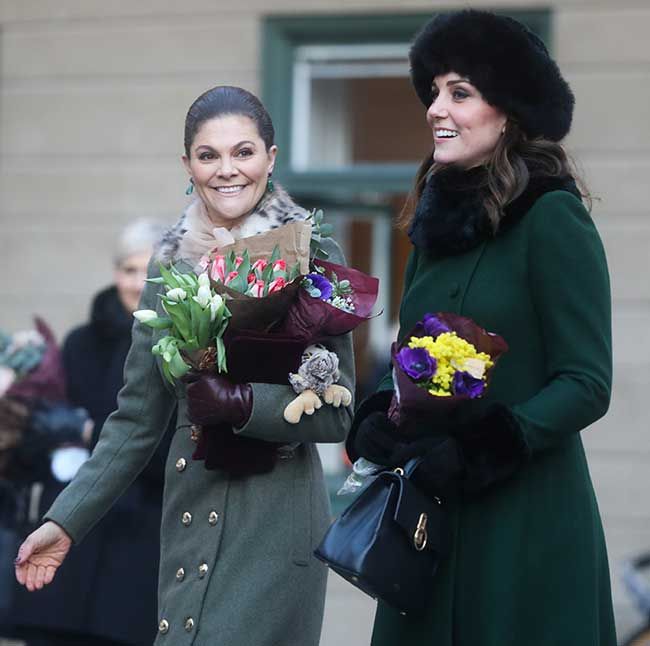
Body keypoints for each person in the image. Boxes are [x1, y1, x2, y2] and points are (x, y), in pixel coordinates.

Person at [15, 85, 355, 646]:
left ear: (270, 158)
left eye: (243, 152)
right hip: (190, 514)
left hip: (272, 525)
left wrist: (246, 404)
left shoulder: (311, 254)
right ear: (188, 165)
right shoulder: (167, 265)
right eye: (209, 155)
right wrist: (64, 519)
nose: (227, 170)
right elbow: (135, 419)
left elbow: (336, 414)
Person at [346, 10, 616, 646]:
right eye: (435, 92)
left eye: (459, 93)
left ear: (510, 111)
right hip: (429, 529)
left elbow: (585, 381)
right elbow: (415, 356)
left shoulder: (554, 219)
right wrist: (381, 412)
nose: (436, 108)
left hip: (527, 528)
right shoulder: (437, 230)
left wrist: (484, 449)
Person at [9, 219, 171, 646]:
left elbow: (166, 449)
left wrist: (85, 429)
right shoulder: (81, 342)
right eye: (129, 270)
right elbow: (42, 437)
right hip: (67, 555)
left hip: (136, 556)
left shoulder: (179, 345)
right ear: (115, 272)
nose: (138, 283)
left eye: (150, 271)